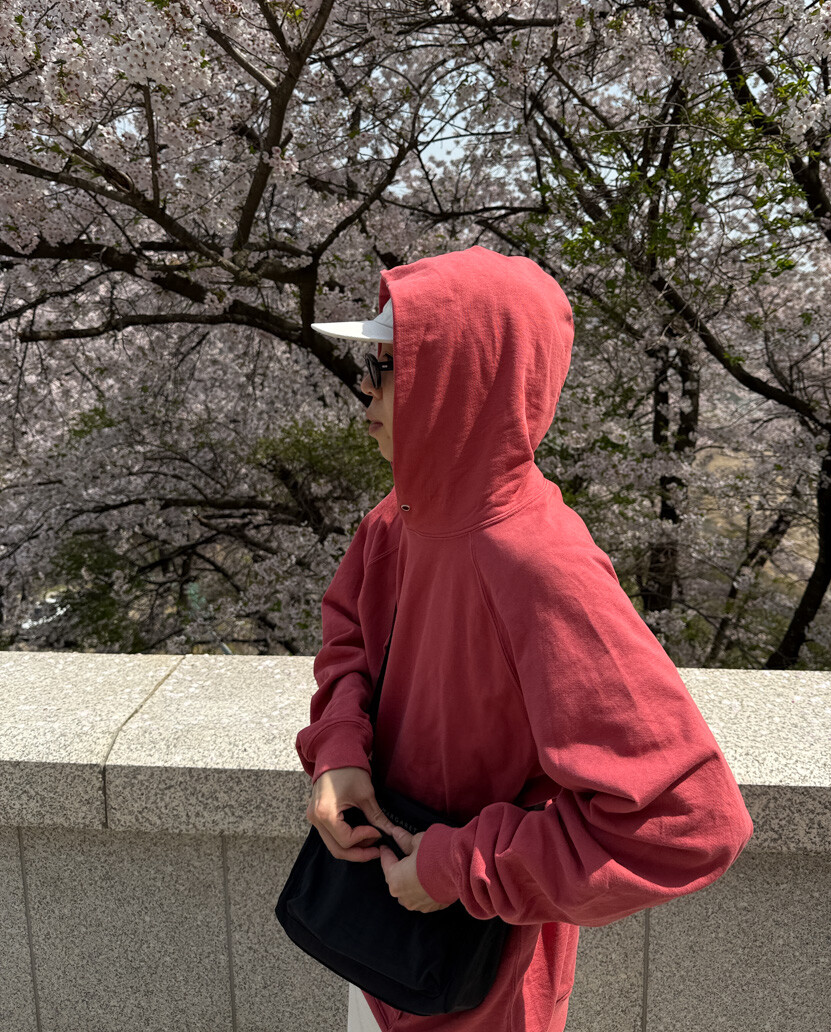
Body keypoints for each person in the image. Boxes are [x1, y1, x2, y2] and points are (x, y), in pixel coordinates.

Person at [297, 245, 754, 1032]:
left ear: (462, 379)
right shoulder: (397, 520)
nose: (365, 388)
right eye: (369, 365)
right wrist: (338, 753)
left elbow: (692, 823)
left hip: (479, 981)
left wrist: (458, 867)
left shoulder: (540, 562)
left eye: (390, 365)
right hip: (380, 941)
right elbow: (349, 638)